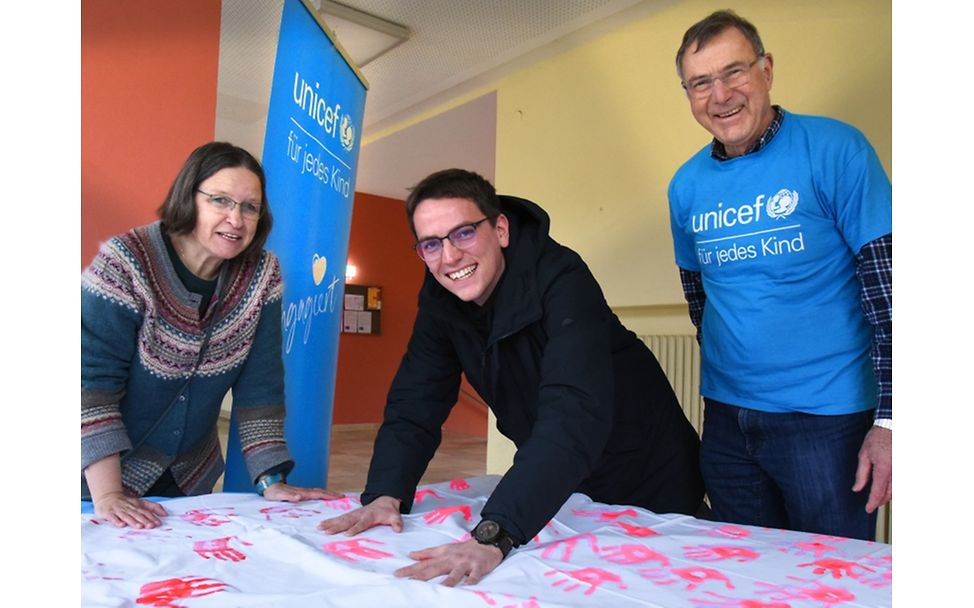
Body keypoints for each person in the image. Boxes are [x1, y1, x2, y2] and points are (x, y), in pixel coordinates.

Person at [319, 168, 704, 585]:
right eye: (431, 244)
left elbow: (574, 410)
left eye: (463, 233)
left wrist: (495, 531)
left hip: (648, 469)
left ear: (500, 229)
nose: (449, 258)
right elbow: (417, 398)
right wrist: (384, 493)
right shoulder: (439, 299)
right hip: (562, 483)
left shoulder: (562, 276)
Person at [667, 10, 892, 540]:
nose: (720, 95)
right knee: (746, 576)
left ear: (766, 69)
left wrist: (891, 422)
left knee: (832, 581)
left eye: (734, 72)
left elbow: (892, 294)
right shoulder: (685, 185)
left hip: (829, 423)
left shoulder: (837, 149)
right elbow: (701, 299)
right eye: (701, 83)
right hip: (727, 421)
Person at [82, 141, 341, 528]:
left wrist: (271, 479)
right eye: (220, 201)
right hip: (93, 477)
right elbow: (89, 386)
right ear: (189, 197)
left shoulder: (262, 274)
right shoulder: (125, 263)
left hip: (188, 475)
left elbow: (261, 384)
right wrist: (108, 494)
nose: (236, 220)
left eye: (250, 207)